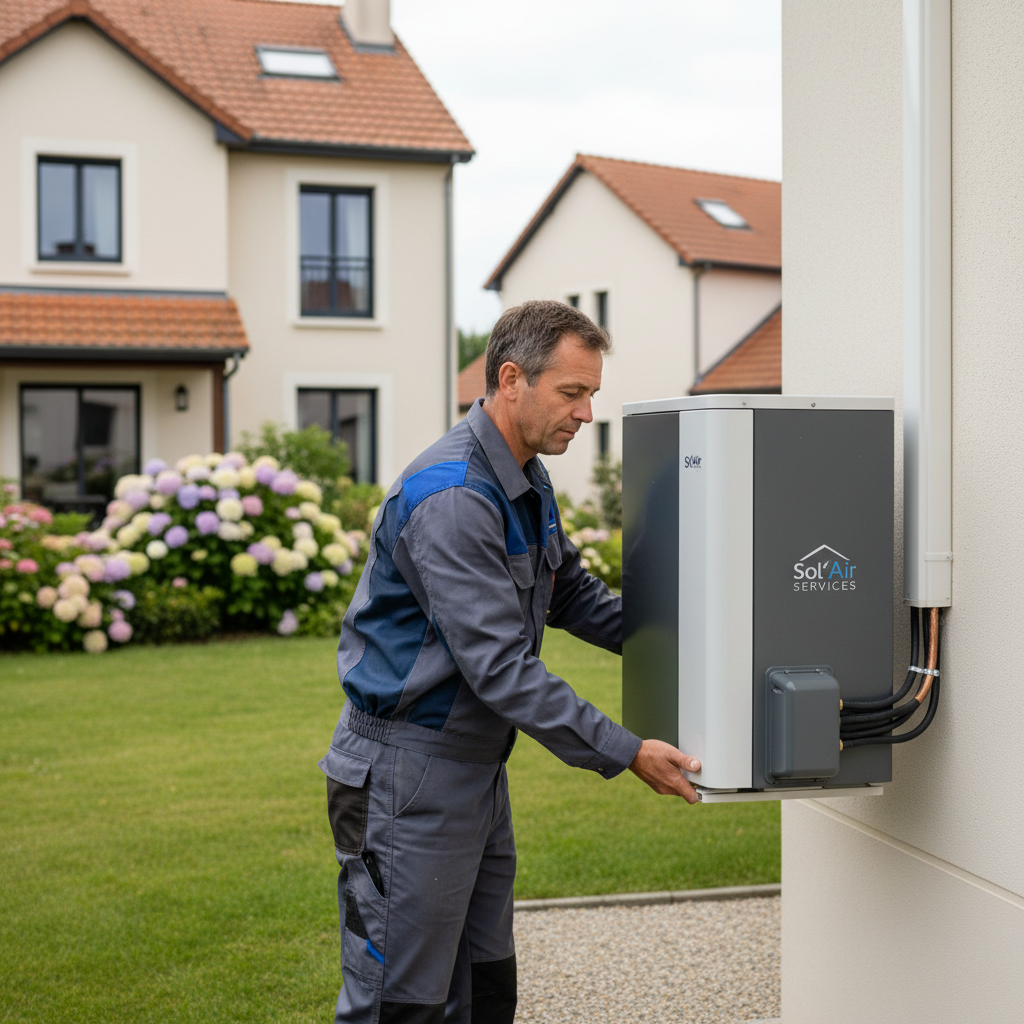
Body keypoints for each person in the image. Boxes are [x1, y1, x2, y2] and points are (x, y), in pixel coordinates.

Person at [318, 299, 701, 1024]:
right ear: (512, 379)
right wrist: (626, 752)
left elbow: (573, 596)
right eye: (573, 393)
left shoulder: (522, 478)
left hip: (472, 772)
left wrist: (704, 635)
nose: (587, 413)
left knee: (485, 983)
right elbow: (499, 669)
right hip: (409, 776)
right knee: (402, 1001)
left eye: (591, 394)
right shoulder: (456, 496)